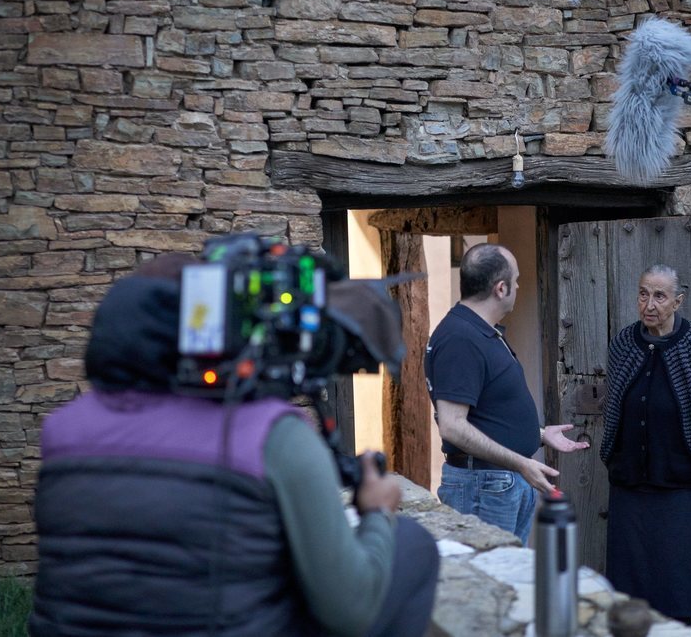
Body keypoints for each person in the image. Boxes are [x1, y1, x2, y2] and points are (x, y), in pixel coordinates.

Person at [29, 252, 439, 637]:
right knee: (413, 545)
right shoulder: (272, 434)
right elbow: (349, 609)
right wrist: (377, 512)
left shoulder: (64, 429)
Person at [599, 264, 691, 623]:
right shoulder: (623, 345)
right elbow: (615, 413)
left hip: (681, 495)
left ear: (677, 301)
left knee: (676, 598)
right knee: (630, 602)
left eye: (659, 296)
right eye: (643, 294)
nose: (649, 304)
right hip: (630, 493)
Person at [424, 243, 588, 544]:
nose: (518, 286)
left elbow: (488, 414)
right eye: (515, 280)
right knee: (486, 570)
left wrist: (538, 434)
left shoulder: (481, 331)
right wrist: (520, 462)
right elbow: (452, 425)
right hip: (484, 486)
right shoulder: (460, 338)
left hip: (497, 483)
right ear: (500, 288)